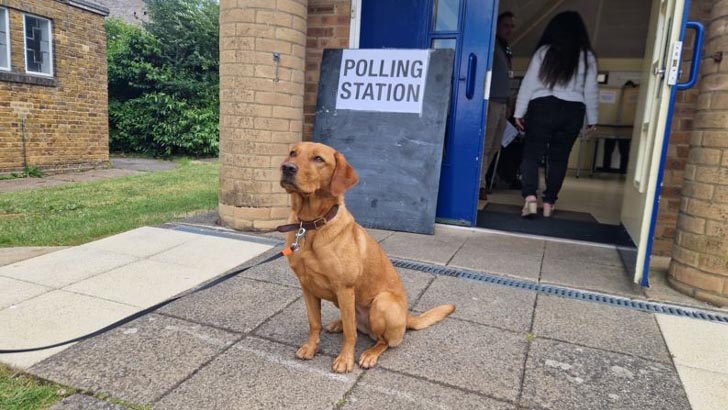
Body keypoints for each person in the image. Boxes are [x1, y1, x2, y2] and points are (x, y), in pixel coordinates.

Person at [513, 11, 598, 217]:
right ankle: (549, 203)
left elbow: (529, 84)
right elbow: (591, 90)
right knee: (559, 159)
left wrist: (519, 112)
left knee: (532, 154)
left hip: (542, 106)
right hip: (573, 110)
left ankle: (530, 198)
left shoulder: (544, 52)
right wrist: (592, 120)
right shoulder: (587, 57)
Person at [479, 11, 515, 200]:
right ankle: (479, 185)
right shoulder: (492, 46)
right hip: (491, 101)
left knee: (495, 146)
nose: (509, 29)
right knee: (485, 145)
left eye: (511, 26)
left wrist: (509, 103)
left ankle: (482, 180)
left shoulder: (506, 49)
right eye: (506, 25)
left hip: (502, 103)